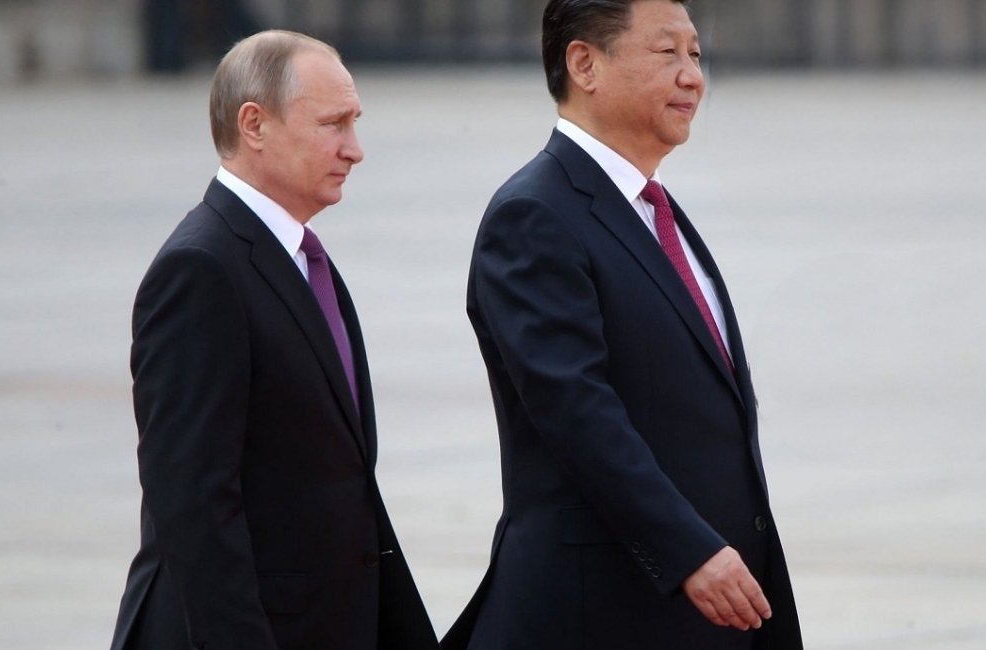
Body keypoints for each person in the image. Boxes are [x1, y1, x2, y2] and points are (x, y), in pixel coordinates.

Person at [443, 1, 803, 648]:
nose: (693, 75)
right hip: (608, 610)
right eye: (667, 53)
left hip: (713, 606)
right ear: (585, 63)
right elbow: (577, 412)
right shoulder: (534, 216)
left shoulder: (652, 209)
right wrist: (688, 549)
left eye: (696, 54)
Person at [109, 30, 439, 650]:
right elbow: (195, 508)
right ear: (254, 125)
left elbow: (341, 478)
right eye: (333, 124)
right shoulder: (201, 270)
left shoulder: (301, 257)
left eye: (355, 123)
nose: (355, 149)